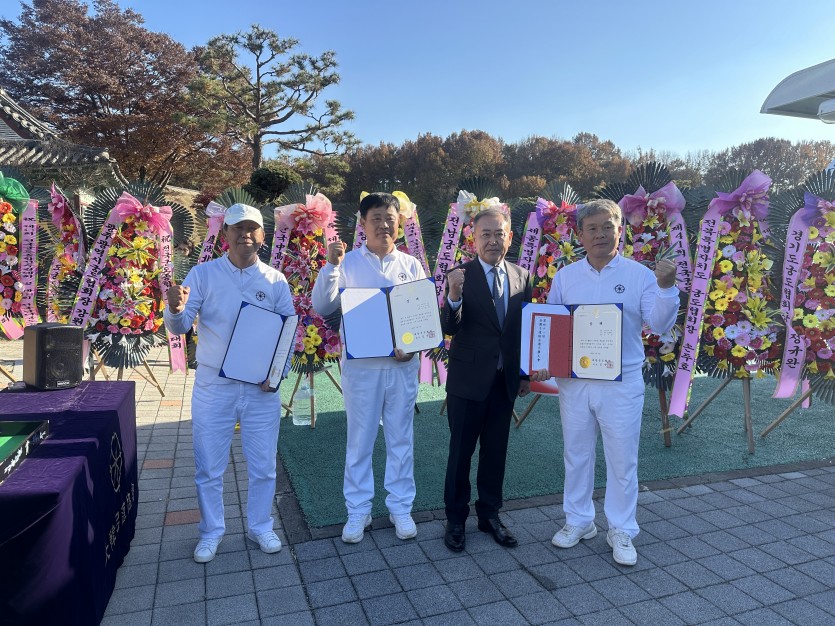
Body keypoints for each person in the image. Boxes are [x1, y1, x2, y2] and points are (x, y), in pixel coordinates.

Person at [545, 199, 678, 566]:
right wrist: (542, 365)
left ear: (620, 231)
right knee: (576, 453)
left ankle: (621, 528)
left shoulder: (640, 275)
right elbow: (553, 326)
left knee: (622, 458)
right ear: (580, 235)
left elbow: (660, 325)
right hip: (575, 381)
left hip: (621, 382)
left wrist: (667, 288)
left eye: (608, 227)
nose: (600, 234)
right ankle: (579, 520)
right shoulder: (565, 277)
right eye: (592, 228)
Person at [164, 203, 295, 563]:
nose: (245, 235)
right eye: (237, 228)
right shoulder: (203, 274)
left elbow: (288, 333)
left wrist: (276, 375)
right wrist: (175, 309)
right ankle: (211, 531)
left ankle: (260, 526)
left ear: (263, 236)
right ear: (225, 233)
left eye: (252, 228)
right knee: (209, 465)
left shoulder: (275, 280)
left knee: (263, 464)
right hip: (214, 385)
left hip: (260, 388)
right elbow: (179, 326)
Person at [312, 192, 425, 544]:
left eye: (390, 218)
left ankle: (400, 507)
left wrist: (413, 346)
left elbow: (422, 316)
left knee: (400, 438)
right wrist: (331, 267)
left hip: (402, 368)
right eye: (376, 218)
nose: (384, 224)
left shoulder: (411, 265)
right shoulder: (347, 263)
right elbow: (322, 305)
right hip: (361, 369)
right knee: (360, 441)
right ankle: (358, 510)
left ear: (399, 223)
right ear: (363, 224)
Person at [441, 208, 547, 552]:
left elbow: (523, 331)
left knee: (495, 453)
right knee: (460, 453)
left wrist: (524, 375)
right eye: (485, 234)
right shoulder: (460, 275)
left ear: (509, 237)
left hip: (504, 383)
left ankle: (489, 515)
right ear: (473, 239)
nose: (492, 240)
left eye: (498, 234)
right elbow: (449, 328)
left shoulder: (521, 276)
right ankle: (455, 519)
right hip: (467, 382)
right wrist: (453, 297)